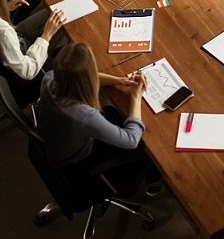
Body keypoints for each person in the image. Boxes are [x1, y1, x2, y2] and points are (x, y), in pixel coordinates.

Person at [35, 43, 152, 190]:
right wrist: (136, 97)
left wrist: (121, 81)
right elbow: (131, 140)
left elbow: (87, 77)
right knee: (146, 148)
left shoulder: (49, 78)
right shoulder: (83, 116)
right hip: (75, 158)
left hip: (55, 138)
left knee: (112, 112)